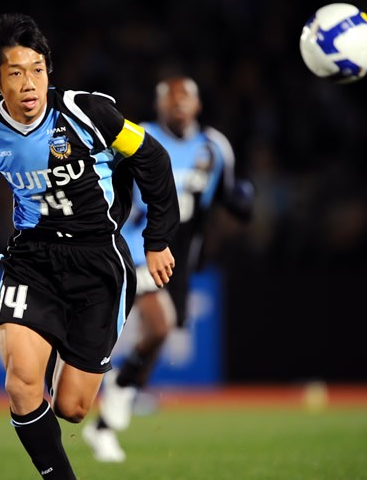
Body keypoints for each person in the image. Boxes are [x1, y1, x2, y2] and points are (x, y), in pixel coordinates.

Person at [0, 13, 179, 479]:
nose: (29, 83)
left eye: (37, 70)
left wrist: (157, 239)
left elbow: (152, 158)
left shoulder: (87, 112)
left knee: (72, 407)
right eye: (16, 73)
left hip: (99, 259)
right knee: (21, 384)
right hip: (32, 258)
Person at [82, 76, 255, 462]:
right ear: (158, 105)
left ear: (198, 105)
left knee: (162, 332)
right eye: (170, 98)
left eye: (185, 97)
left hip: (178, 257)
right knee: (159, 325)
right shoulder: (136, 136)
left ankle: (110, 413)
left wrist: (242, 203)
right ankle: (112, 399)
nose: (178, 104)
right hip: (134, 245)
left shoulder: (214, 146)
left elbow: (224, 194)